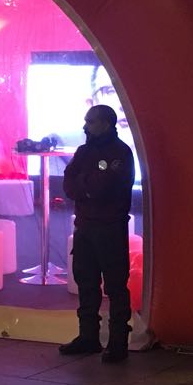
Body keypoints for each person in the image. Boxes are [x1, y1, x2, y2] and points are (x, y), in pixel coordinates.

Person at [59, 104, 137, 364]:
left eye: (90, 121)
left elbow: (106, 187)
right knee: (86, 283)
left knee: (115, 286)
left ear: (106, 123)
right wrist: (88, 186)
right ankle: (88, 337)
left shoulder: (121, 153)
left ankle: (117, 343)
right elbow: (68, 182)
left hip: (110, 228)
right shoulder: (84, 151)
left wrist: (86, 186)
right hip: (85, 227)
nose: (85, 126)